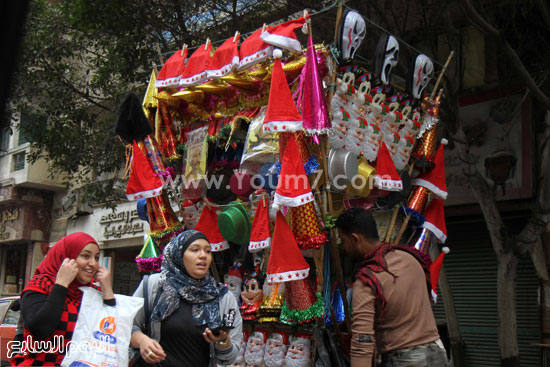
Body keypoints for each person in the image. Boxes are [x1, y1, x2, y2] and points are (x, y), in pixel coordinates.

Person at [335, 208, 448, 367]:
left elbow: (363, 342)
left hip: (404, 360)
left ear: (355, 238)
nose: (344, 248)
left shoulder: (367, 279)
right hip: (437, 354)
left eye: (343, 241)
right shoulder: (410, 259)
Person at [130, 230, 243, 367]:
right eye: (195, 250)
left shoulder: (223, 297)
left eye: (208, 251)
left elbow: (229, 359)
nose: (203, 256)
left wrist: (223, 341)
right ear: (178, 254)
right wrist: (143, 341)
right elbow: (128, 325)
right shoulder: (155, 285)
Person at [10, 232, 114, 366]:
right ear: (66, 258)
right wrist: (62, 283)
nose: (93, 263)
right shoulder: (41, 285)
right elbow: (41, 330)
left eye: (97, 257)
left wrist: (108, 291)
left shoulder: (93, 293)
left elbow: (112, 332)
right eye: (86, 256)